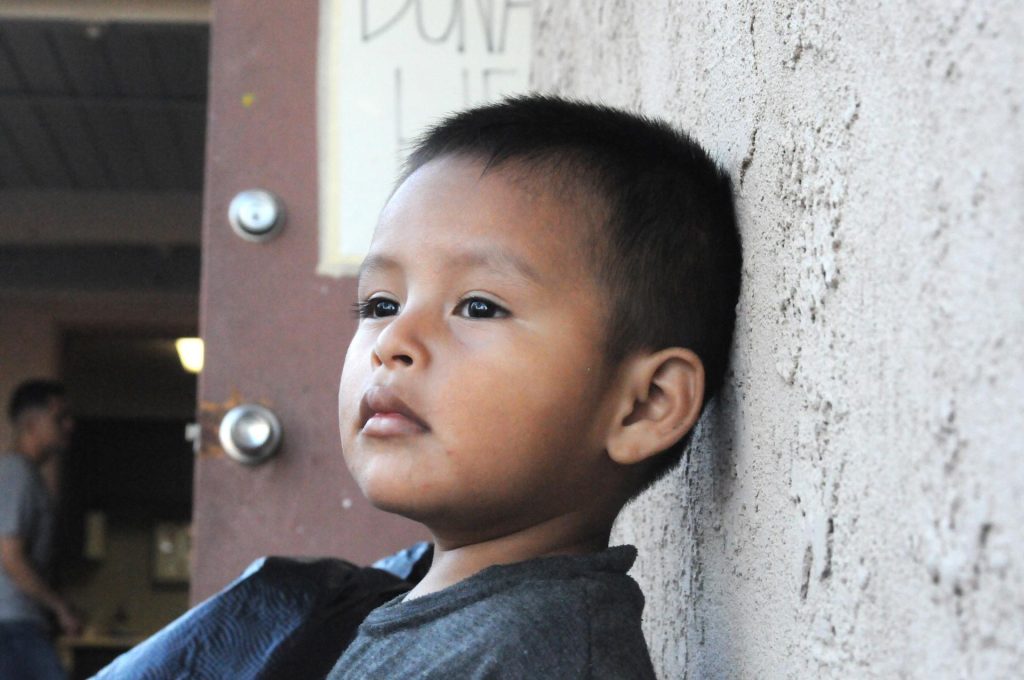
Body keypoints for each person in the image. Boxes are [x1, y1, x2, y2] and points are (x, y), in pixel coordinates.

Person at [329, 95, 742, 678]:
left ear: (644, 406)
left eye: (478, 307)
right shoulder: (447, 621)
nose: (392, 340)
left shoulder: (543, 657)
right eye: (381, 303)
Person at [1, 380, 81, 680]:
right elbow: (10, 556)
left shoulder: (27, 476)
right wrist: (59, 607)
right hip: (11, 626)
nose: (69, 425)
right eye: (59, 418)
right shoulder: (16, 475)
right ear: (31, 423)